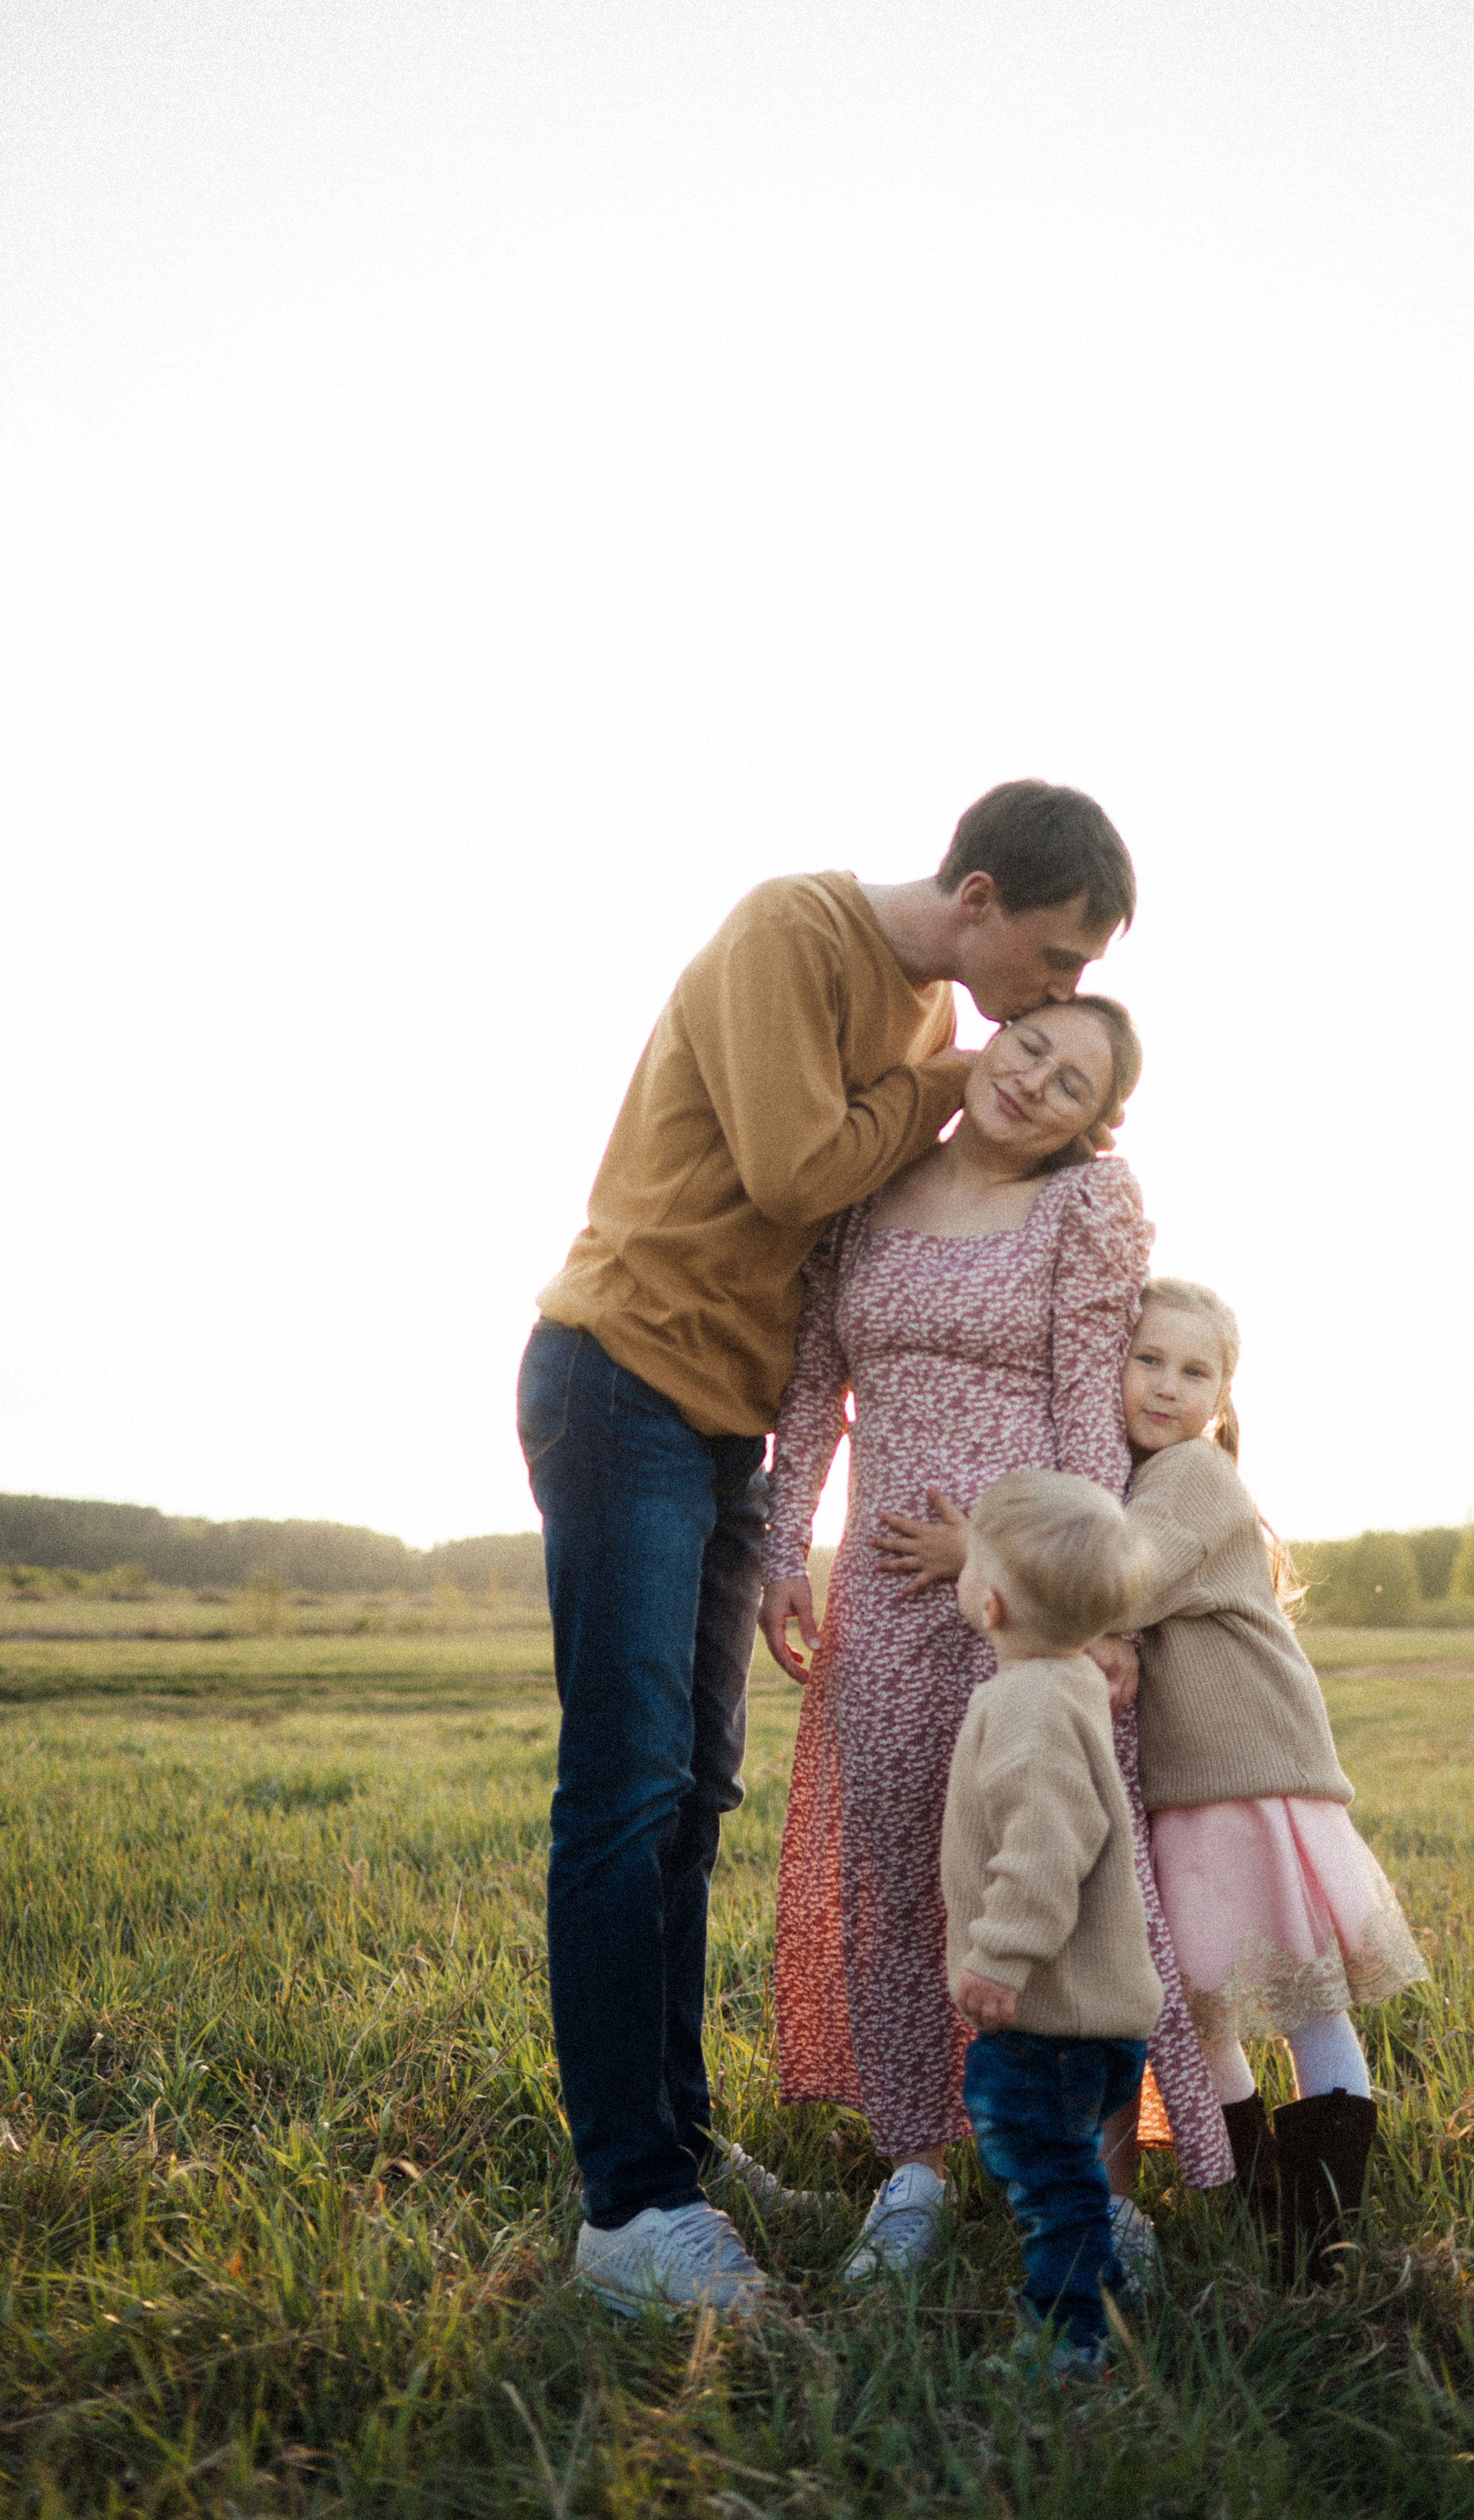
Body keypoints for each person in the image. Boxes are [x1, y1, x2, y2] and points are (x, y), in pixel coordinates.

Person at [516, 778, 1137, 2318]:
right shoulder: (792, 932)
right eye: (1058, 958)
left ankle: (678, 2138)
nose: (1051, 997)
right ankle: (626, 2206)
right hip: (624, 1377)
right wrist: (946, 1085)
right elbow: (802, 1174)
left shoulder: (922, 1002)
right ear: (980, 897)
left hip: (721, 1422)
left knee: (690, 1797)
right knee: (623, 1789)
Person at [761, 1002, 1233, 2302]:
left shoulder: (1086, 1207)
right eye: (1032, 1047)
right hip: (889, 1589)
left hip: (1041, 1583)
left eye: (1074, 1083)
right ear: (990, 1039)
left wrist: (1100, 1606)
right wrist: (785, 1541)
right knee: (895, 1865)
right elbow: (815, 1384)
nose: (1036, 1083)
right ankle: (911, 2170)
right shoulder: (869, 1179)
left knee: (1078, 1863)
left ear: (1096, 1123)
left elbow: (1089, 1406)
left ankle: (1109, 2186)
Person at [1117, 1277, 1429, 2275]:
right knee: (1200, 2004)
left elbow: (1122, 1579)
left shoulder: (1192, 1475)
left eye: (1193, 1371)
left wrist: (984, 1548)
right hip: (1191, 1787)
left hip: (1250, 1778)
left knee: (1302, 2001)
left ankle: (1321, 2228)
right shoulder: (1141, 1475)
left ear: (1222, 1399)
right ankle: (1258, 2208)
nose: (1167, 1386)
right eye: (1148, 1359)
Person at [940, 1470, 1164, 2379]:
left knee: (1046, 2170)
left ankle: (1073, 2340)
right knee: (1069, 2167)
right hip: (1096, 2014)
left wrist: (1001, 1955)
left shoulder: (1026, 1703)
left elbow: (1046, 1845)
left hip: (1050, 2017)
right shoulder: (1071, 1678)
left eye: (970, 1564)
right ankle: (1105, 2284)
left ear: (989, 1602)